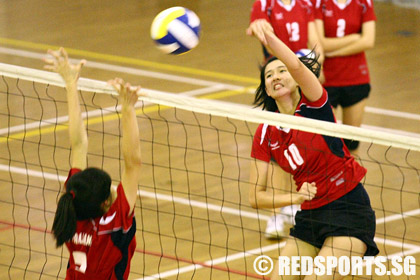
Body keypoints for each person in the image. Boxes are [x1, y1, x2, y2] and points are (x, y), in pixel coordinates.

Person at [247, 22, 378, 279]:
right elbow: (255, 197)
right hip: (310, 214)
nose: (276, 77)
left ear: (296, 80)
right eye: (269, 75)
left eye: (282, 71)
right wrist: (295, 199)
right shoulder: (265, 132)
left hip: (348, 210)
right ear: (265, 88)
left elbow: (297, 65)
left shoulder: (314, 105)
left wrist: (270, 38)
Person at [45, 48, 142, 279]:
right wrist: (128, 109)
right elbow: (133, 162)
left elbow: (78, 144)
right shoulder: (113, 224)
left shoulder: (73, 211)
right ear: (105, 204)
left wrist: (70, 83)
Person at [249, 0, 325, 239]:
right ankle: (275, 215)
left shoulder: (306, 3)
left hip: (300, 79)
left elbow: (316, 45)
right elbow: (254, 28)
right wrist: (258, 26)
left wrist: (314, 64)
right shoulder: (265, 4)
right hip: (280, 81)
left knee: (306, 149)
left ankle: (299, 207)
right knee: (278, 156)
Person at [314, 0, 376, 151]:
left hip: (356, 79)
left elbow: (368, 41)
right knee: (326, 144)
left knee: (352, 144)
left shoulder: (364, 3)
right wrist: (354, 38)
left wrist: (334, 52)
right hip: (326, 81)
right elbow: (321, 42)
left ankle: (349, 176)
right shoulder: (319, 3)